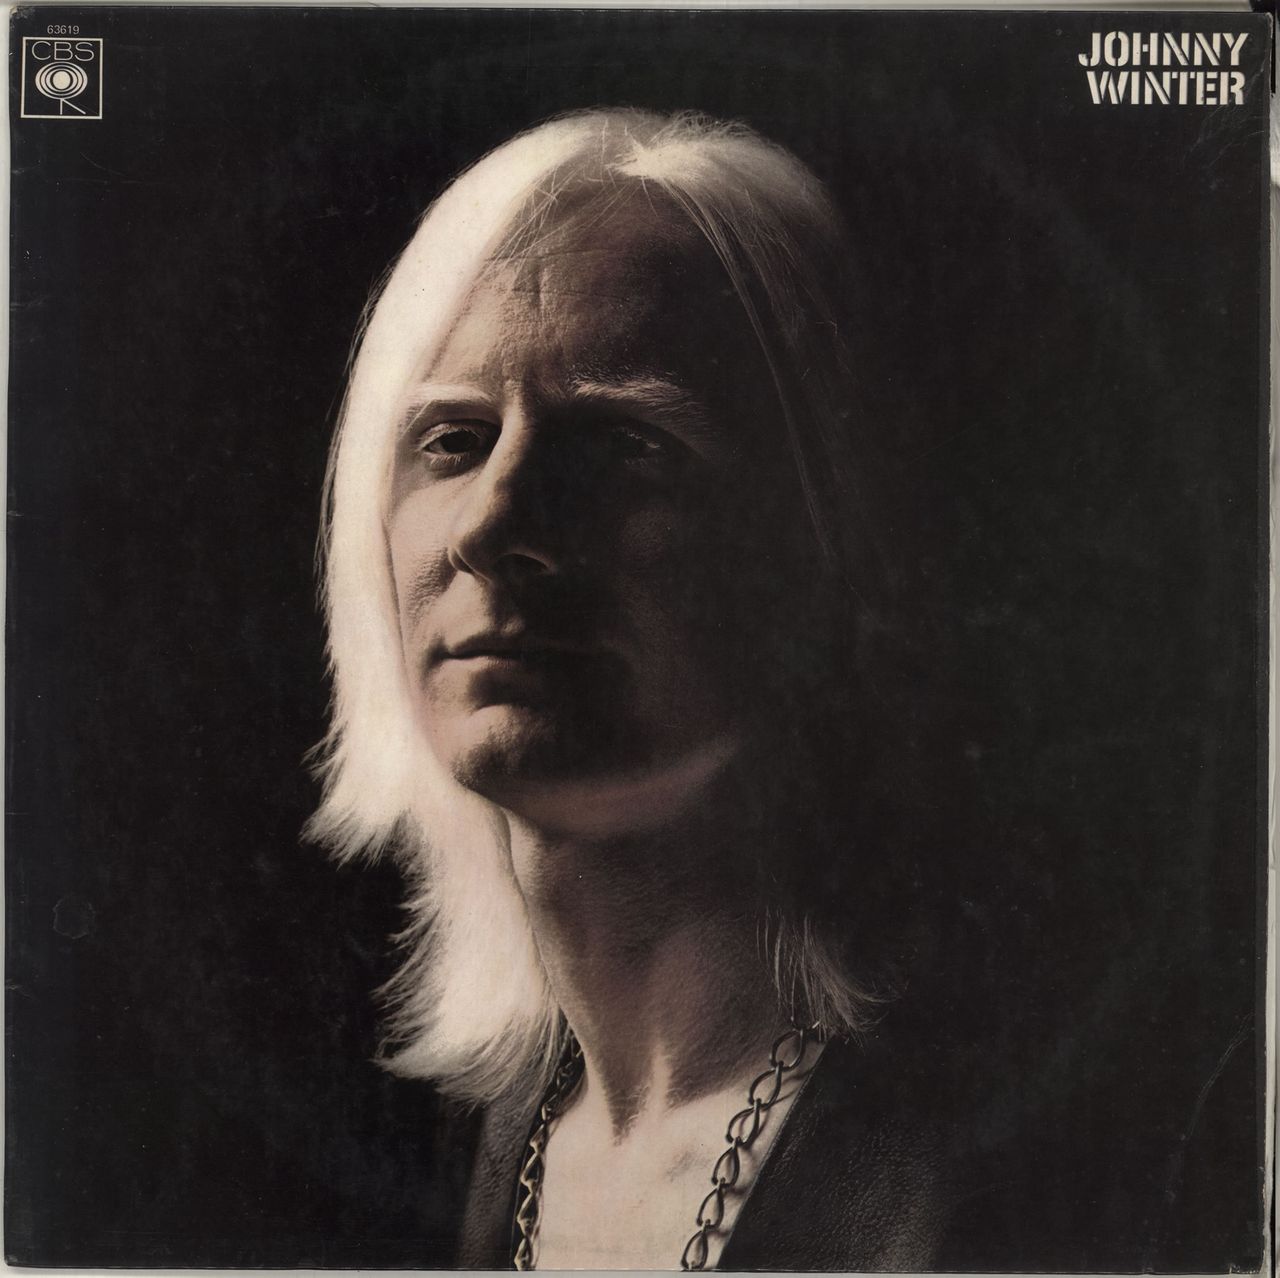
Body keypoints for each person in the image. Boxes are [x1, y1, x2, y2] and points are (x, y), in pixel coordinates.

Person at [306, 109, 1002, 1269]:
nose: (490, 525)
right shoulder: (482, 1144)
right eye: (453, 439)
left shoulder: (962, 1182)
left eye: (624, 446)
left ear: (825, 539)